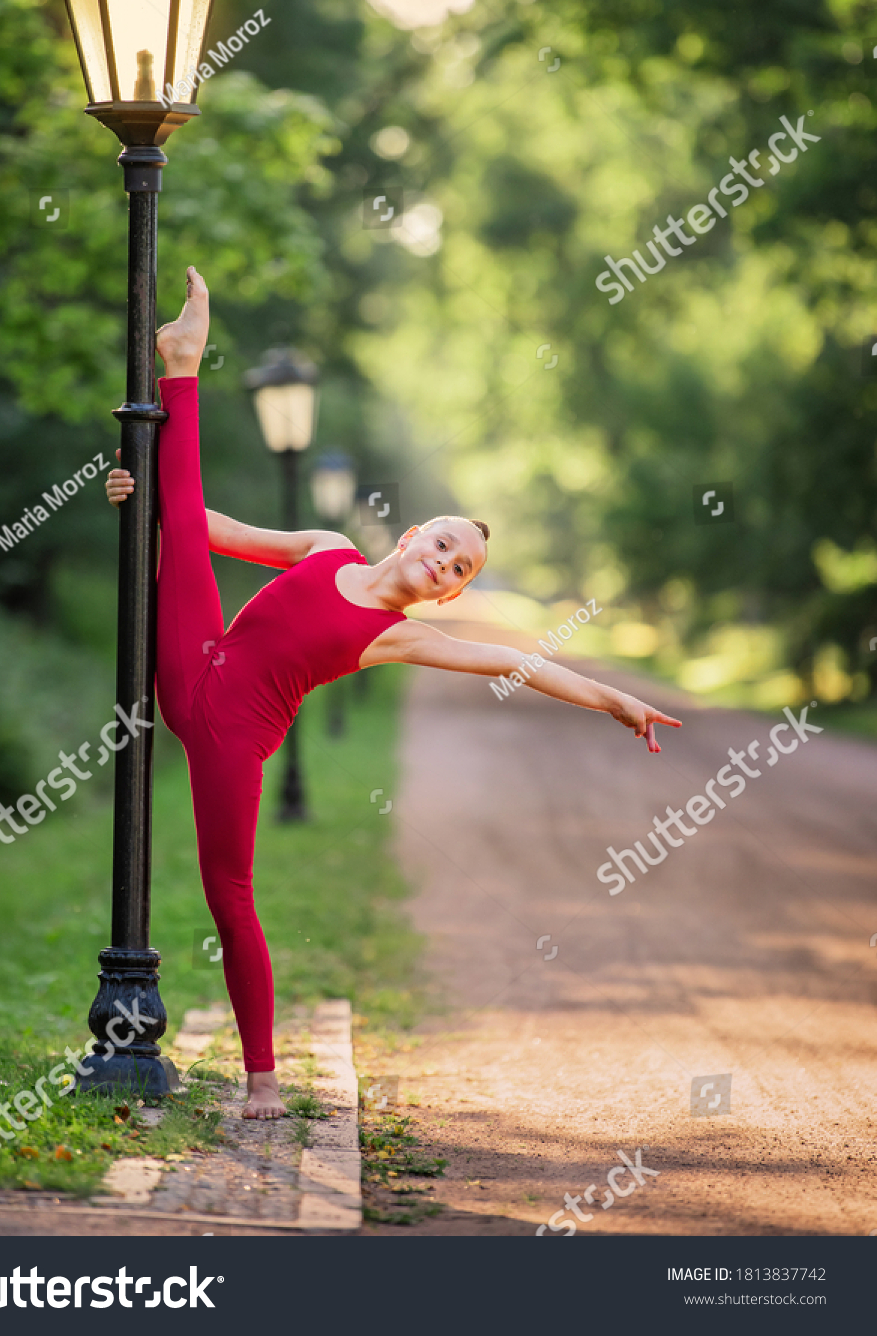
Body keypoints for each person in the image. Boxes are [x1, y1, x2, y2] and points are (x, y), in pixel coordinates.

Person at [105, 266, 682, 1117]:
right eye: (443, 543)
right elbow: (215, 531)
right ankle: (181, 365)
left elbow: (519, 664)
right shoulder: (327, 546)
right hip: (192, 656)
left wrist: (615, 699)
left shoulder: (402, 633)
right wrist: (137, 495)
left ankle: (262, 1075)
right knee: (182, 527)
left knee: (230, 896)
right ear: (413, 533)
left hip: (230, 737)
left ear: (449, 593)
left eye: (457, 569)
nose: (443, 562)